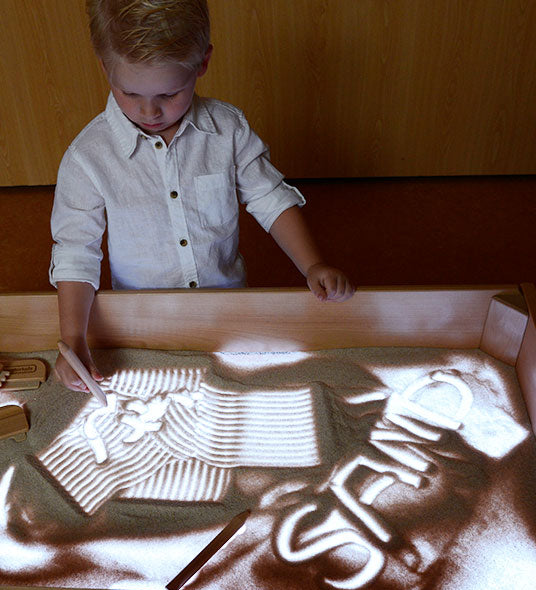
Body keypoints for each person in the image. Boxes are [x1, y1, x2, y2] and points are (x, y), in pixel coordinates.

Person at [50, 0, 354, 392]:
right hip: (144, 323)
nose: (150, 110)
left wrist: (313, 265)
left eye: (169, 94)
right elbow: (76, 250)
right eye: (129, 93)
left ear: (202, 64)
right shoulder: (87, 157)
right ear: (105, 68)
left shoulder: (227, 128)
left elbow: (270, 197)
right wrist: (74, 339)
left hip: (228, 311)